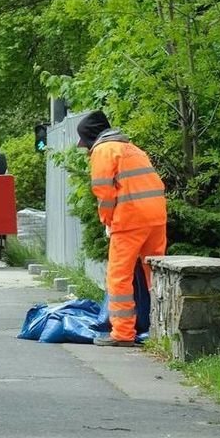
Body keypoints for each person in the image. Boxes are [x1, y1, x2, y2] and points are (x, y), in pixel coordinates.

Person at [77, 110, 167, 347]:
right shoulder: (132, 148)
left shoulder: (103, 150)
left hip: (129, 220)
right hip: (156, 217)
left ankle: (123, 334)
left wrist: (107, 221)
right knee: (156, 276)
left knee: (119, 278)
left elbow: (104, 193)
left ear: (90, 136)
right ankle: (162, 331)